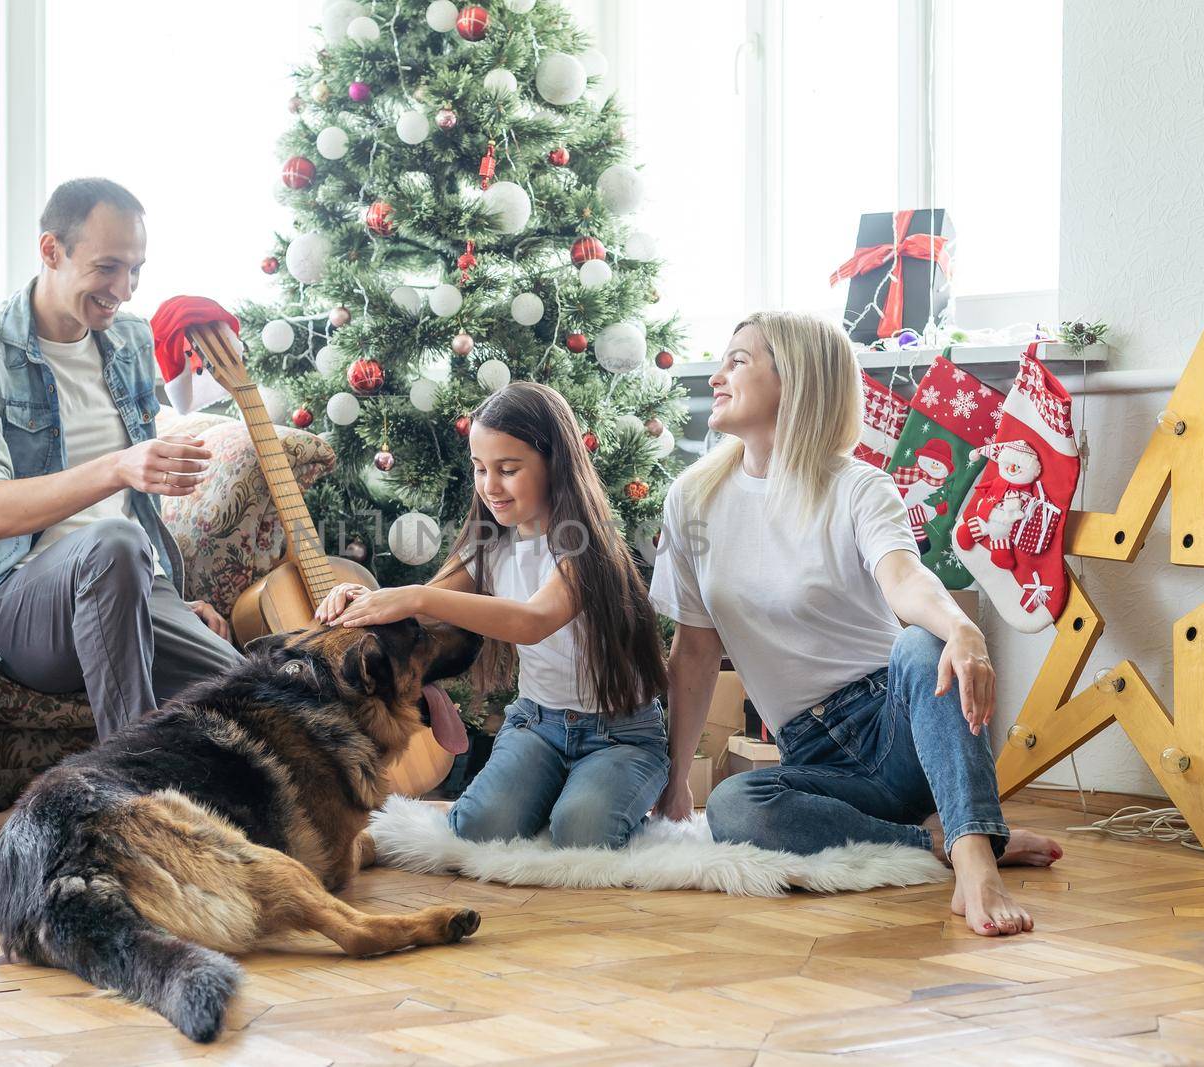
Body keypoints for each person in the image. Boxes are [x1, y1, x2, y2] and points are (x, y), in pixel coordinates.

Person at [649, 311, 1062, 937]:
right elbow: (695, 653)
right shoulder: (693, 498)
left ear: (795, 379)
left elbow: (905, 579)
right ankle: (935, 841)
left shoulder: (857, 486)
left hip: (899, 725)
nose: (717, 376)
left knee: (924, 646)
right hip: (814, 758)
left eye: (738, 361)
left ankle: (977, 860)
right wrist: (677, 783)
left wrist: (962, 630)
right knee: (735, 806)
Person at [0, 178, 244, 806]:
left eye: (135, 270)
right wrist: (118, 467)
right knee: (113, 543)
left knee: (251, 696)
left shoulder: (126, 342)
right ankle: (133, 804)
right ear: (51, 250)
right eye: (106, 267)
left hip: (134, 586)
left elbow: (157, 466)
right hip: (19, 598)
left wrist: (182, 597)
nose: (122, 291)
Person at [315, 382, 670, 850]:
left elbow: (532, 620)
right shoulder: (489, 544)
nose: (490, 486)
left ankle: (589, 795)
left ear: (555, 464)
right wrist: (361, 596)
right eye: (480, 469)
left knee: (583, 834)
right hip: (537, 726)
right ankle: (559, 791)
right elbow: (418, 612)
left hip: (620, 734)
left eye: (508, 469)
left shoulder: (585, 544)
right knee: (479, 828)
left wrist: (416, 595)